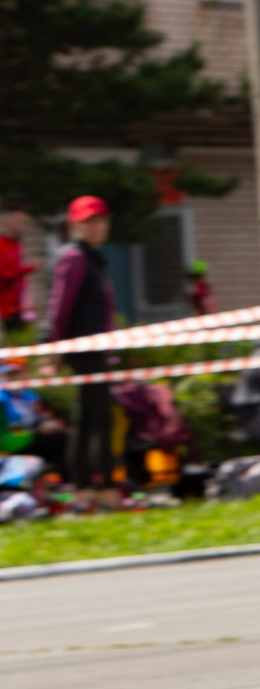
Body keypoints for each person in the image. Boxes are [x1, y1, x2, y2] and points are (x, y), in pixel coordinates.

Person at [45, 194, 121, 486]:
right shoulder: (74, 257)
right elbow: (59, 305)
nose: (97, 227)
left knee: (93, 417)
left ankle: (91, 485)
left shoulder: (95, 258)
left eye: (101, 221)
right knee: (96, 418)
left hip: (98, 347)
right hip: (82, 348)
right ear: (74, 225)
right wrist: (52, 348)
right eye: (89, 222)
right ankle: (96, 487)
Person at [0, 203, 29, 332]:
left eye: (24, 222)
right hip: (5, 312)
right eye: (19, 222)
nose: (23, 226)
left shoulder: (18, 245)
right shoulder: (2, 245)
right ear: (8, 221)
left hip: (22, 310)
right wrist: (29, 268)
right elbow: (4, 275)